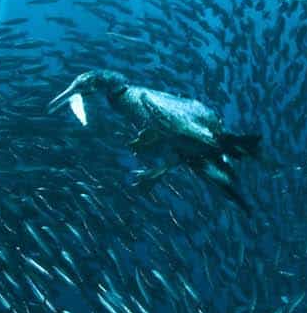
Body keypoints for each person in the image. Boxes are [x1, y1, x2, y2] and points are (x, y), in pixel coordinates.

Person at [48, 69, 263, 213]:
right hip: (190, 150)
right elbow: (167, 135)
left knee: (218, 165)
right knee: (224, 184)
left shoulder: (140, 97)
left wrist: (215, 142)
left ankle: (236, 159)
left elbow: (180, 125)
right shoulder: (125, 100)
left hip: (206, 140)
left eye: (81, 87)